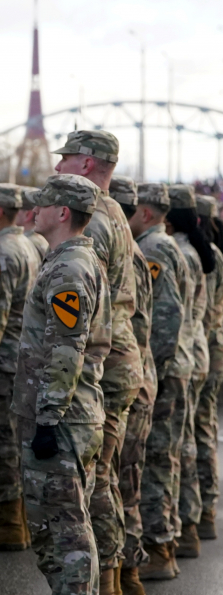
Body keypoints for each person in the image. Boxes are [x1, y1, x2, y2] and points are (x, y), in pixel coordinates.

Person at [54, 130, 142, 593]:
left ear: (86, 164)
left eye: (65, 158)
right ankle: (115, 576)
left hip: (100, 369)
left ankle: (109, 579)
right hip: (118, 361)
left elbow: (84, 313)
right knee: (100, 478)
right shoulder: (114, 216)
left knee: (91, 485)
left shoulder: (95, 221)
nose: (58, 167)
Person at [14, 173, 109, 595]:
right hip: (67, 413)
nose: (35, 211)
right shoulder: (68, 260)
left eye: (43, 203)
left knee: (66, 529)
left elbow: (65, 350)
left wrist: (48, 419)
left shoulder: (70, 267)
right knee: (56, 525)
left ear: (63, 212)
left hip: (63, 418)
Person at [0, 183, 41, 553]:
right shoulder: (27, 245)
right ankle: (16, 517)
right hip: (22, 357)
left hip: (2, 361)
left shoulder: (0, 251)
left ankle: (10, 519)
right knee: (14, 440)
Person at [130, 183, 191, 581]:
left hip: (166, 368)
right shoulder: (164, 245)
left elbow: (166, 319)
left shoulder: (153, 249)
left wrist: (154, 367)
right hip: (176, 365)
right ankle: (165, 541)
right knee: (163, 458)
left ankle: (159, 545)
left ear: (147, 214)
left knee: (155, 460)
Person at [109, 175, 157, 595]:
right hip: (138, 379)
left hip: (128, 382)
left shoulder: (126, 256)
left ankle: (126, 572)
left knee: (122, 482)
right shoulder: (133, 252)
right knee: (127, 480)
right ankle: (127, 571)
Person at [165, 185, 214, 561]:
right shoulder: (207, 253)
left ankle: (184, 523)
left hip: (183, 352)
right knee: (199, 432)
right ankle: (200, 516)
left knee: (176, 444)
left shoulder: (178, 254)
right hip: (202, 348)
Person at [194, 194, 223, 545]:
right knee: (203, 427)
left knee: (194, 430)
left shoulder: (201, 255)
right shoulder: (213, 253)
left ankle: (200, 509)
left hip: (201, 343)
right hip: (210, 347)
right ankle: (206, 509)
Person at [17, 186, 50, 259]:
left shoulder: (27, 243)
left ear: (27, 215)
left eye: (16, 210)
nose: (13, 213)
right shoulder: (41, 239)